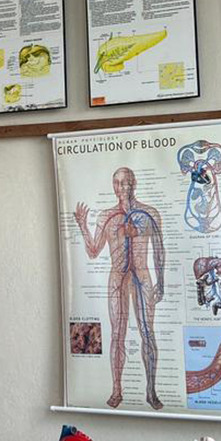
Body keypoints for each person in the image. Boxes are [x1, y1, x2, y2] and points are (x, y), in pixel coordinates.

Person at [74, 167, 165, 410]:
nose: (122, 186)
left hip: (142, 275)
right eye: (117, 182)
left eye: (126, 182)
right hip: (117, 278)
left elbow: (159, 249)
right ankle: (116, 390)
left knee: (148, 332)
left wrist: (161, 281)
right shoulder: (107, 216)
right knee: (117, 334)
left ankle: (151, 391)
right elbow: (93, 251)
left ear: (134, 183)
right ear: (113, 186)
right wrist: (83, 226)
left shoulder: (149, 213)